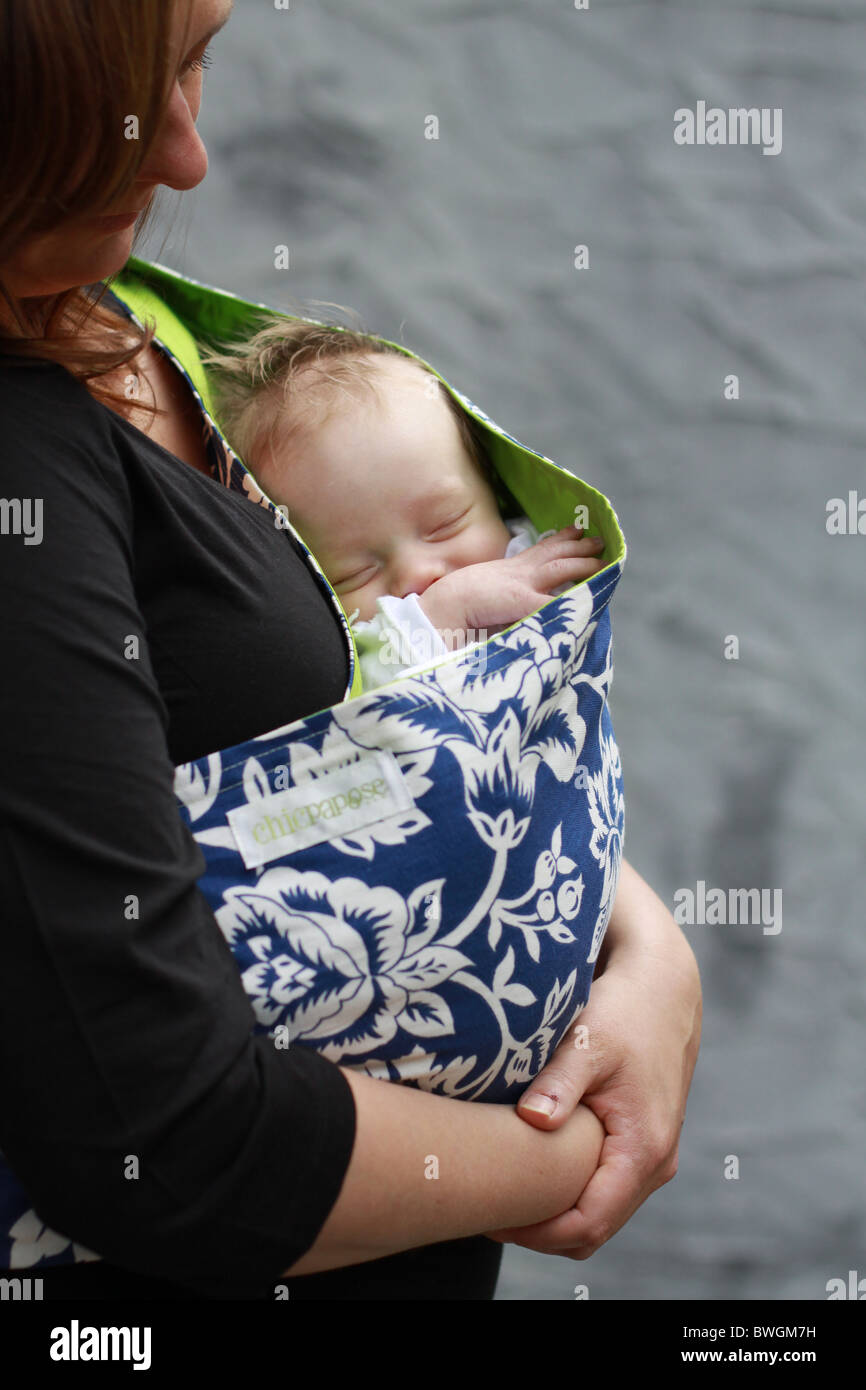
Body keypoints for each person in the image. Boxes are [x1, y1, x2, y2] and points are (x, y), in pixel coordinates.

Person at [0, 0, 701, 1301]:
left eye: (196, 60)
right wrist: (578, 1146)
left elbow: (354, 740)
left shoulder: (114, 314)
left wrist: (643, 947)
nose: (188, 160)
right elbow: (170, 1141)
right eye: (128, 101)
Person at [202, 316, 609, 687]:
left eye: (444, 524)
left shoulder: (532, 559)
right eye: (353, 574)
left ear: (493, 490)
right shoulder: (354, 656)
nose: (418, 575)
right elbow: (366, 714)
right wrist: (443, 614)